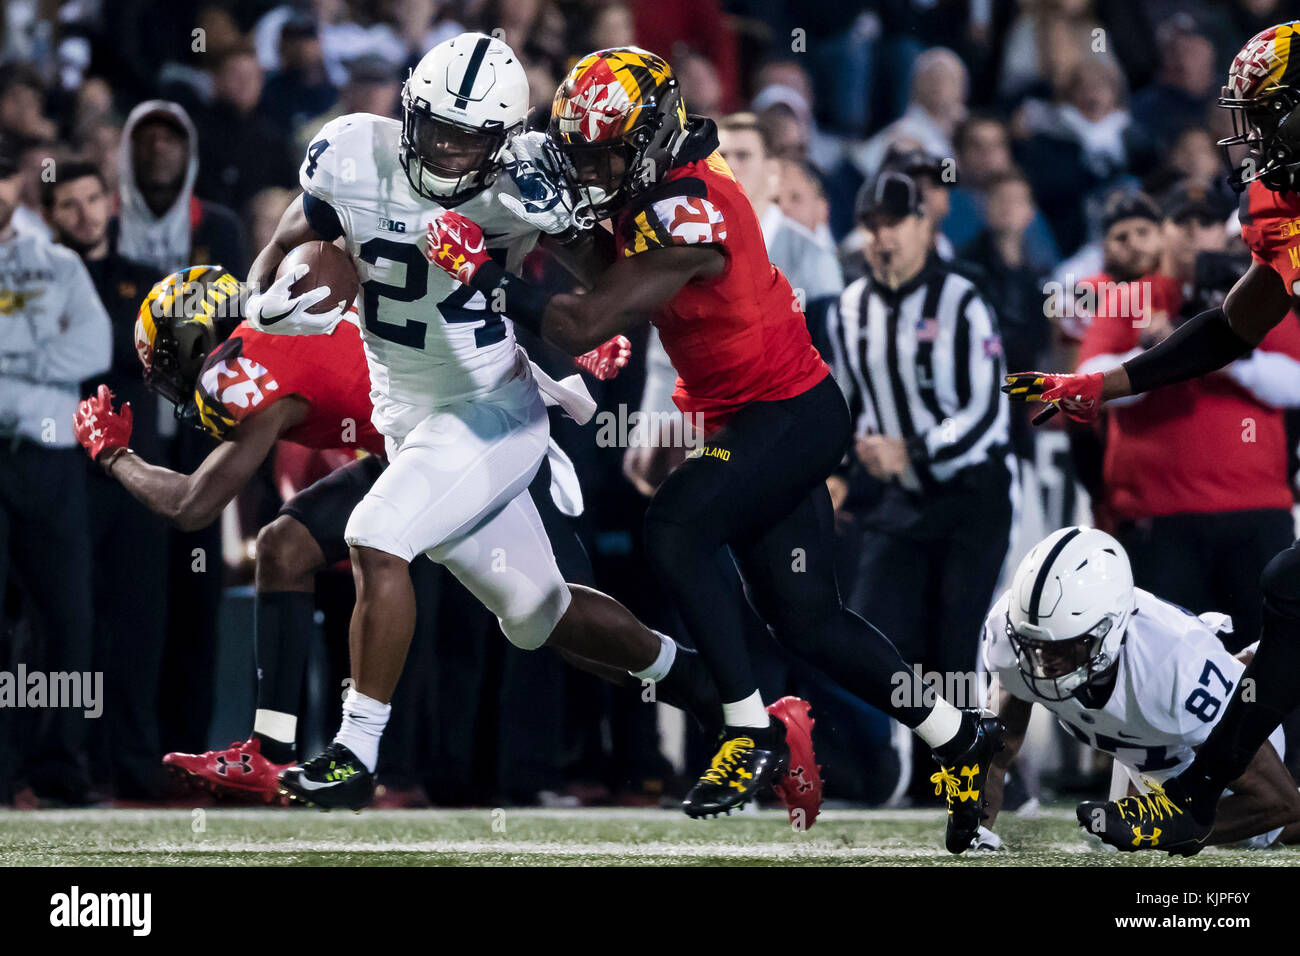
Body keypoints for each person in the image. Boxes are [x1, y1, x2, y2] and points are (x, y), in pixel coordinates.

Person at [426, 46, 1000, 852]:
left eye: (604, 152)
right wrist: (562, 227)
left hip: (790, 415)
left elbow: (589, 321)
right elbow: (609, 271)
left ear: (651, 138)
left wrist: (486, 273)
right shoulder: (654, 186)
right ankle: (958, 736)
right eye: (582, 151)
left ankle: (745, 728)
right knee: (809, 622)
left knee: (675, 528)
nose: (591, 168)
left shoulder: (693, 206)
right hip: (754, 418)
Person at [243, 34, 799, 819]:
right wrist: (260, 302)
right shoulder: (348, 153)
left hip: (489, 411)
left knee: (376, 534)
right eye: (433, 126)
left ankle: (355, 753)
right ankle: (737, 708)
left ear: (502, 140)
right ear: (407, 110)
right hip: (406, 415)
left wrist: (584, 329)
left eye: (468, 137)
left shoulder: (527, 183)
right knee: (544, 616)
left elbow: (609, 285)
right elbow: (281, 246)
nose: (444, 148)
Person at [1003, 20, 1300, 855]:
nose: (1247, 136)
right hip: (1177, 509)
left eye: (1268, 113)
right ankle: (1202, 796)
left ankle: (1206, 796)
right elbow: (1229, 330)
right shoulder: (1281, 212)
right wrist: (1101, 384)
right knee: (1290, 593)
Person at [830, 169, 1014, 798]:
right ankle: (896, 771)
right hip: (899, 499)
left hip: (971, 495)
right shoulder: (851, 308)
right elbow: (844, 404)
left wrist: (911, 449)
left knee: (955, 641)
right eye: (872, 224)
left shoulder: (964, 296)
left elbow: (990, 410)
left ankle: (970, 780)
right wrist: (834, 471)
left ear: (923, 225)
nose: (882, 237)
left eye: (894, 223)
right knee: (871, 628)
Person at [980, 527, 1300, 852]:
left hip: (1243, 736)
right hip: (1159, 746)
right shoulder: (1013, 641)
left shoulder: (1173, 668)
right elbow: (993, 758)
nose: (1044, 665)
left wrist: (1159, 832)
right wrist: (975, 829)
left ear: (1109, 629)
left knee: (1265, 833)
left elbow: (1279, 804)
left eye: (1064, 648)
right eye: (1033, 646)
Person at [42, 161, 174, 799]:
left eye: (92, 198)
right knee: (71, 627)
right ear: (49, 217)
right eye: (69, 204)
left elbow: (148, 353)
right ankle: (69, 768)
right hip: (64, 480)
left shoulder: (144, 282)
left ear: (110, 202)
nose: (85, 213)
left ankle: (137, 767)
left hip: (138, 479)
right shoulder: (40, 284)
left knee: (139, 625)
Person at [0, 142, 111, 805]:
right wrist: (43, 354)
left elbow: (94, 347)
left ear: (17, 186)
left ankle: (61, 769)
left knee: (68, 620)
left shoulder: (60, 264)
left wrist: (11, 360)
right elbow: (65, 352)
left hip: (52, 460)